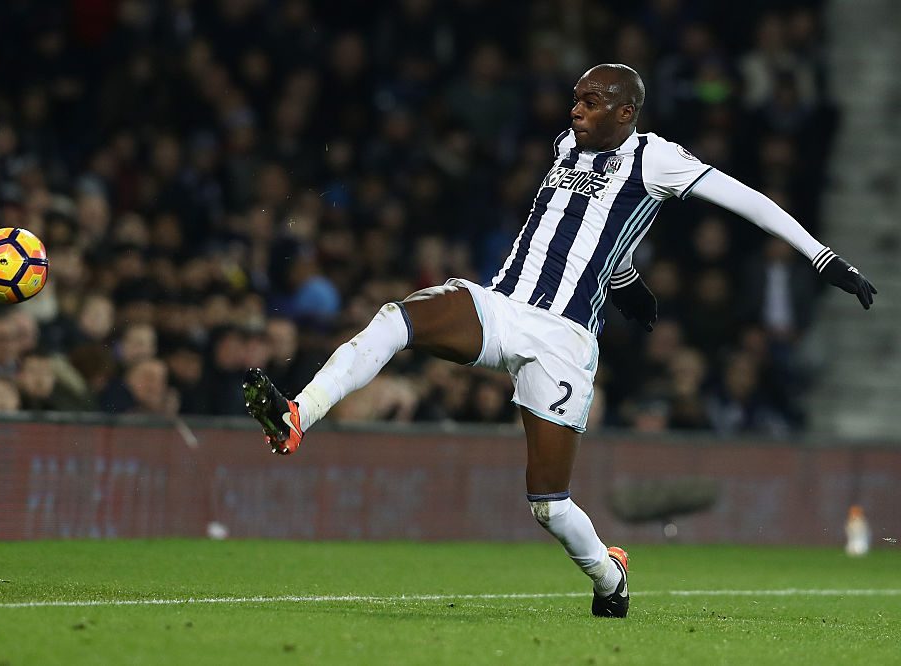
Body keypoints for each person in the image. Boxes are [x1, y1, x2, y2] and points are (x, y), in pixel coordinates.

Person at [242, 64, 876, 619]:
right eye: (575, 98)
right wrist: (625, 277)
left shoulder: (657, 157)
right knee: (395, 318)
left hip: (565, 341)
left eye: (592, 101)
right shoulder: (564, 148)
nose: (576, 109)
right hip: (502, 306)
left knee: (547, 504)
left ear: (626, 112)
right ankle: (299, 415)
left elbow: (749, 201)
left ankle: (609, 575)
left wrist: (821, 258)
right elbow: (575, 227)